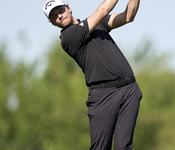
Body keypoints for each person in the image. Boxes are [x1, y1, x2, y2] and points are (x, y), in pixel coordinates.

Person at [43, 0, 142, 149]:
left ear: (69, 8)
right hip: (103, 96)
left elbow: (128, 16)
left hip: (129, 89)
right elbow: (103, 10)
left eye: (60, 10)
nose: (59, 16)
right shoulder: (68, 37)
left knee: (123, 147)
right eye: (53, 16)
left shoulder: (96, 24)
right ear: (52, 23)